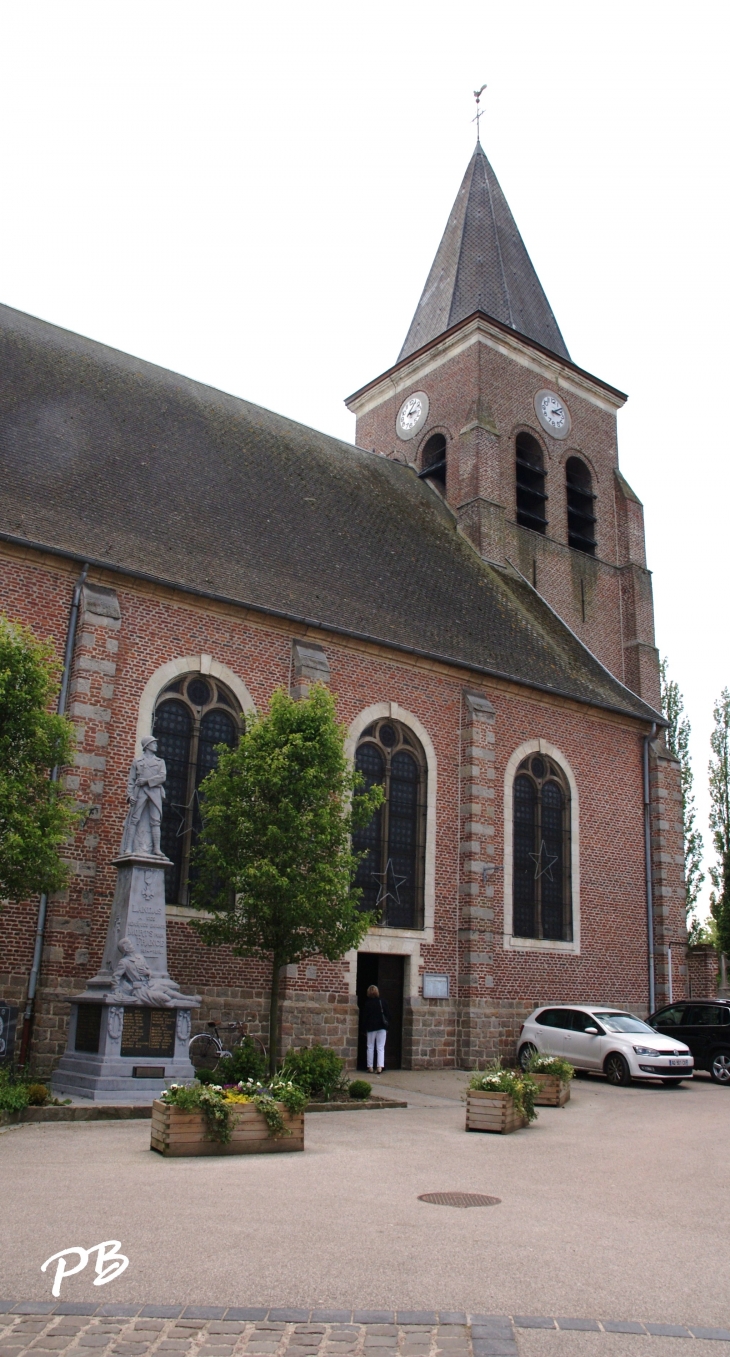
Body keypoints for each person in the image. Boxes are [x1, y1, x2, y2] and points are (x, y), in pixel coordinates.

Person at [362, 983, 389, 1074]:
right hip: (381, 1027)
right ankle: (379, 1067)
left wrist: (364, 1028)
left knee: (370, 1047)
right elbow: (388, 1015)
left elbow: (365, 1017)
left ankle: (370, 1066)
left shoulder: (367, 1003)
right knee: (380, 1047)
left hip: (371, 1027)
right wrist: (387, 1026)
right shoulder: (383, 1002)